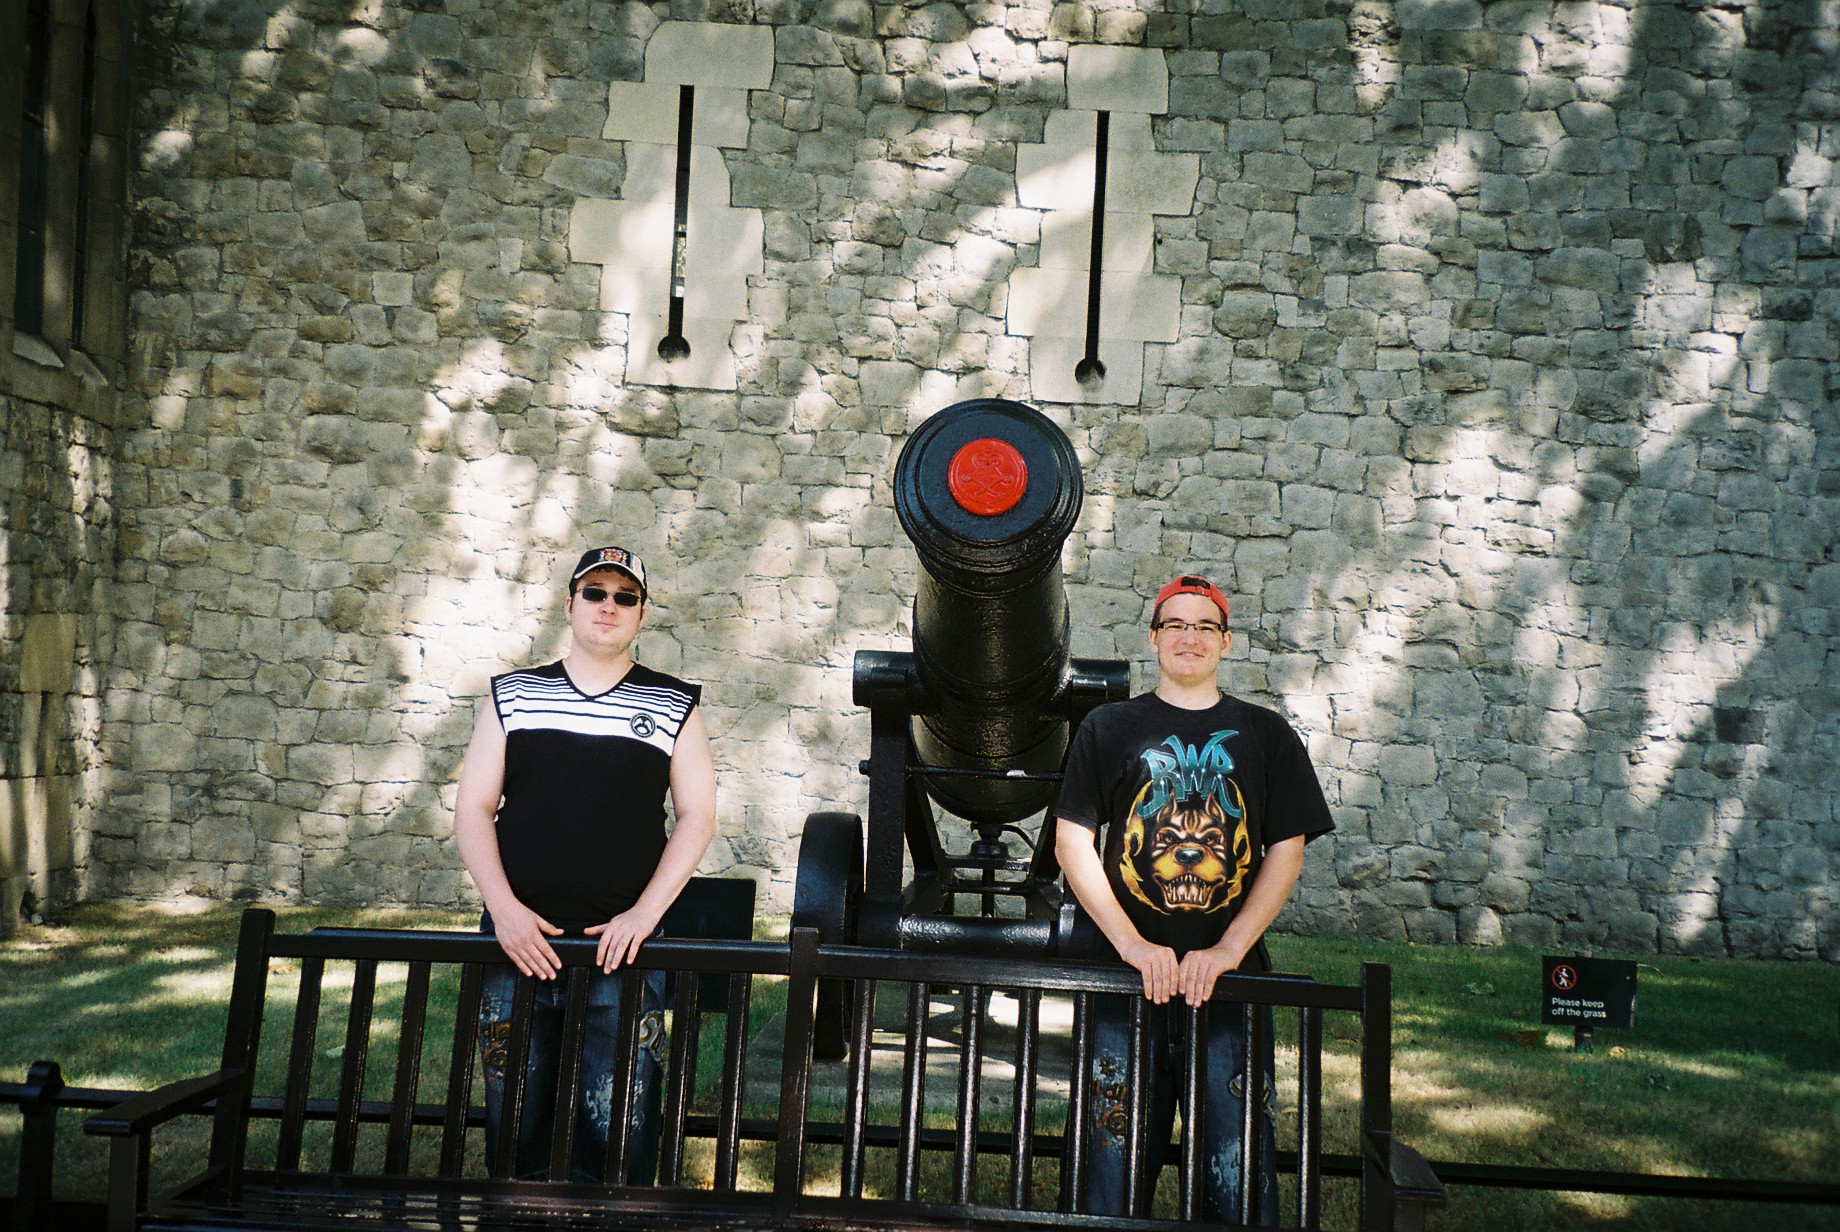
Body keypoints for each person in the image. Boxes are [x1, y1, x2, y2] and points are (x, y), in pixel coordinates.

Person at [1054, 573, 1334, 1223]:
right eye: (1175, 625)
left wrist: (1230, 949)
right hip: (1123, 982)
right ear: (1153, 640)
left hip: (1229, 989)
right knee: (1109, 1158)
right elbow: (1072, 841)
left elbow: (1284, 852)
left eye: (1204, 626)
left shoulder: (1267, 735)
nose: (1189, 637)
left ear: (1226, 643)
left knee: (1233, 1162)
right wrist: (1131, 944)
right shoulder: (1108, 727)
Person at [453, 545, 716, 1182]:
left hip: (621, 951)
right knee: (516, 1127)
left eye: (625, 597)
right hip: (519, 945)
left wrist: (644, 916)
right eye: (595, 593)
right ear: (570, 604)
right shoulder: (514, 696)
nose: (609, 607)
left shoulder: (674, 703)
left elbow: (698, 815)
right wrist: (505, 913)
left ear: (642, 614)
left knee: (619, 1135)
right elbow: (473, 809)